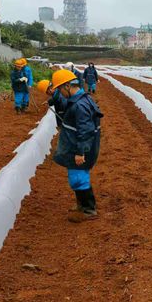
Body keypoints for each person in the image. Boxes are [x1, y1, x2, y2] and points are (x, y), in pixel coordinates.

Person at [51, 69, 103, 220]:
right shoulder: (79, 100)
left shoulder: (80, 105)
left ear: (67, 86)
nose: (60, 93)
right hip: (76, 146)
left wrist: (80, 152)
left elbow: (85, 131)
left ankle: (89, 210)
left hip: (79, 148)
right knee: (77, 176)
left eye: (60, 89)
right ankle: (81, 204)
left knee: (78, 178)